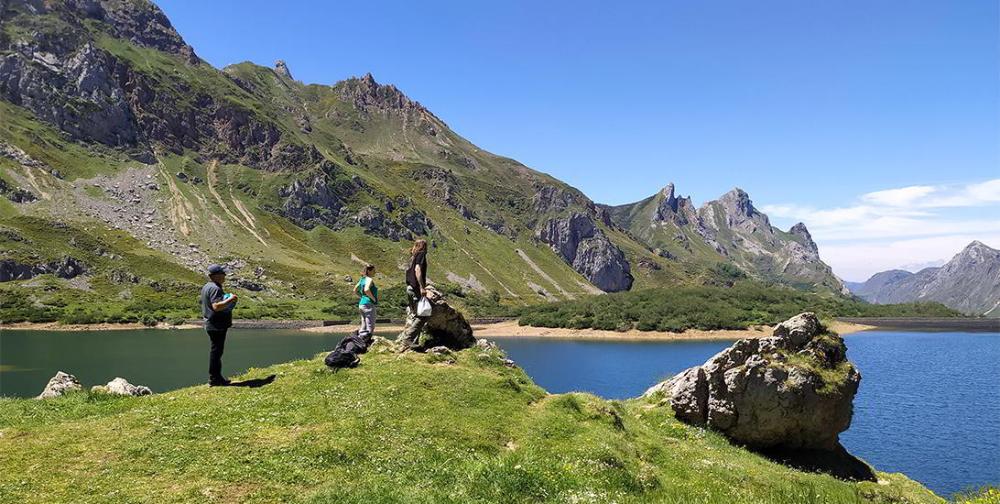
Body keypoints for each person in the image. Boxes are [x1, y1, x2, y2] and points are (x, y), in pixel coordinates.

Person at [200, 264, 238, 386]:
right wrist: (231, 299)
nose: (224, 275)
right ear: (215, 275)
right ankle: (214, 379)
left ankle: (216, 377)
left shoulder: (207, 286)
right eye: (222, 273)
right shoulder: (215, 288)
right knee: (216, 352)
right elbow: (216, 307)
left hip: (211, 323)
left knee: (216, 351)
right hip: (217, 325)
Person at [401, 239, 429, 346]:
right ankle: (408, 338)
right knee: (423, 315)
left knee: (415, 314)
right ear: (422, 246)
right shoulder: (421, 254)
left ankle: (413, 342)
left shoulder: (412, 257)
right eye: (425, 245)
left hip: (409, 288)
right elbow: (418, 270)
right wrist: (422, 287)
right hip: (415, 288)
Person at [354, 264, 378, 339]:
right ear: (369, 271)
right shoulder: (369, 279)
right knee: (370, 325)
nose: (375, 272)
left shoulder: (362, 279)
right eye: (373, 271)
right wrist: (373, 299)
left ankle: (360, 340)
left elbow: (355, 290)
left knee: (363, 324)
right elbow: (366, 289)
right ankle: (368, 340)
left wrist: (362, 297)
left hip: (361, 304)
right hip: (368, 304)